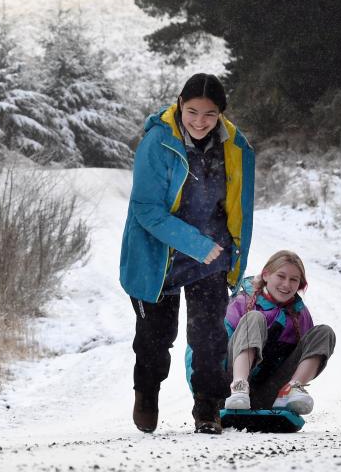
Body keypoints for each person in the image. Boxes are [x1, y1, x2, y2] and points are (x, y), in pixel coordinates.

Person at [119, 73, 255, 434]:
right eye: (192, 110)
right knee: (155, 337)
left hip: (211, 254)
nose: (199, 121)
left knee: (210, 336)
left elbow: (242, 207)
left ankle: (208, 407)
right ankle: (147, 393)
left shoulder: (236, 146)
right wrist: (196, 243)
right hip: (158, 255)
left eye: (209, 114)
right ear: (179, 103)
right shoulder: (158, 143)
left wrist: (233, 255)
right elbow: (146, 210)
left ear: (221, 115)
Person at [223, 250, 336, 415]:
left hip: (270, 392)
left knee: (324, 332)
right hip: (229, 391)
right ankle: (240, 385)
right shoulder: (240, 303)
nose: (286, 284)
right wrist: (206, 395)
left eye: (293, 280)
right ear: (266, 275)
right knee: (254, 318)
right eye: (281, 276)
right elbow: (210, 351)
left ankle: (292, 390)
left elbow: (304, 354)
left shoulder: (300, 314)